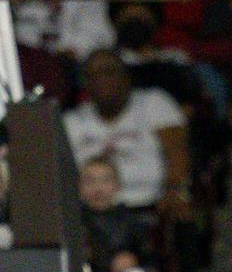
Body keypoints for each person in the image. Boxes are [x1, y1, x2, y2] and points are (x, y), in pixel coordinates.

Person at [63, 48, 188, 214]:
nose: (102, 79)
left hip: (147, 209)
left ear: (126, 77)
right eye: (93, 75)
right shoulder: (72, 120)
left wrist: (175, 191)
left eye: (109, 71)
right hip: (88, 215)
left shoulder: (153, 102)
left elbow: (176, 151)